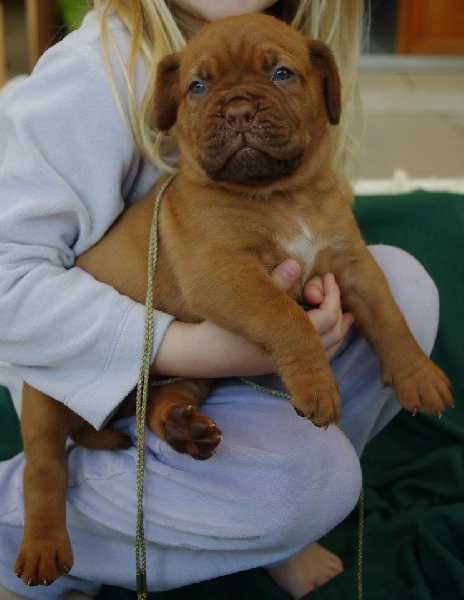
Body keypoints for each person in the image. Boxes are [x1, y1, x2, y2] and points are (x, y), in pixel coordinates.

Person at [0, 1, 442, 599]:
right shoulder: (89, 74)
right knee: (310, 480)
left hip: (197, 372)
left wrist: (405, 358)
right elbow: (215, 282)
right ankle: (31, 518)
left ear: (325, 87)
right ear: (169, 109)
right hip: (75, 367)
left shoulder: (310, 160)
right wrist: (242, 348)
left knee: (402, 285)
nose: (237, 109)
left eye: (279, 74)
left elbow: (355, 269)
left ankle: (210, 470)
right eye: (203, 88)